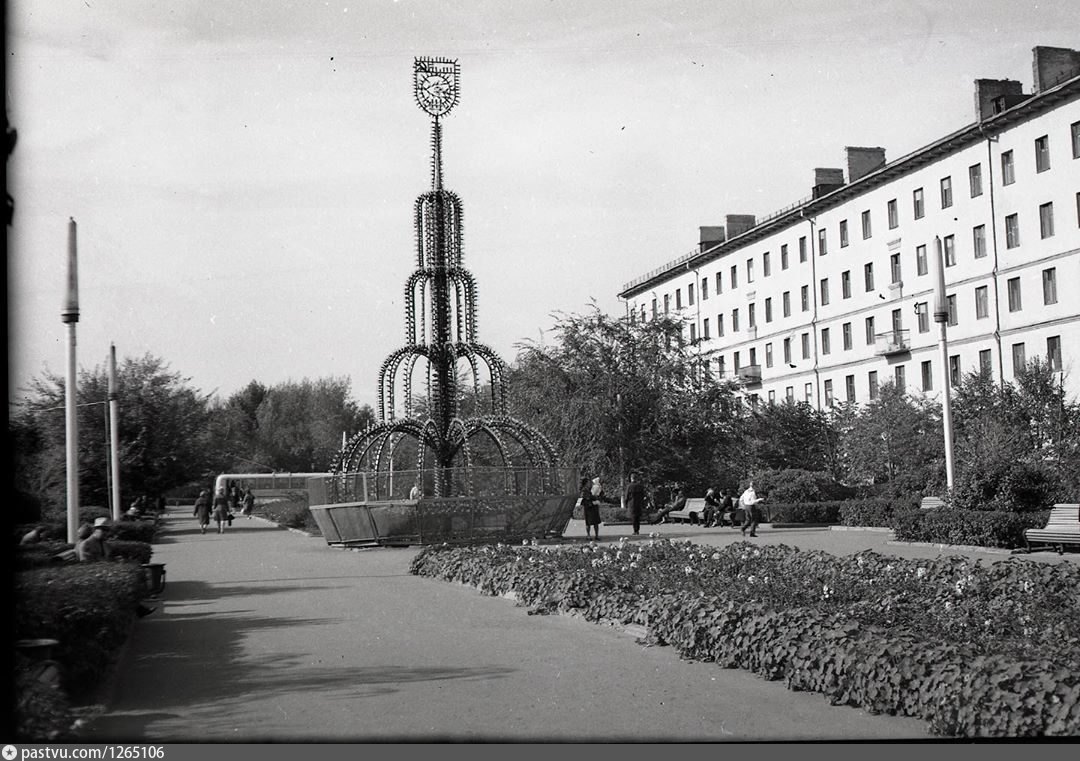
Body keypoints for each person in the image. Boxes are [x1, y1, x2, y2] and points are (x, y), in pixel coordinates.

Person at [624, 472, 646, 536]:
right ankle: (637, 530)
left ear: (631, 478)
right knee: (638, 517)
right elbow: (643, 495)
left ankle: (635, 530)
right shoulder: (640, 486)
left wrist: (625, 503)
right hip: (638, 503)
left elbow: (626, 496)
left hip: (631, 503)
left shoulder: (629, 486)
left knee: (633, 517)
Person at [580, 476, 601, 541]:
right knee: (588, 523)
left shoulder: (590, 489)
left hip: (593, 507)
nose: (590, 483)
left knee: (596, 522)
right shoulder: (584, 490)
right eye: (588, 482)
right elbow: (585, 499)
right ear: (586, 483)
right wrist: (593, 502)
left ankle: (596, 535)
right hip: (588, 508)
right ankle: (588, 535)